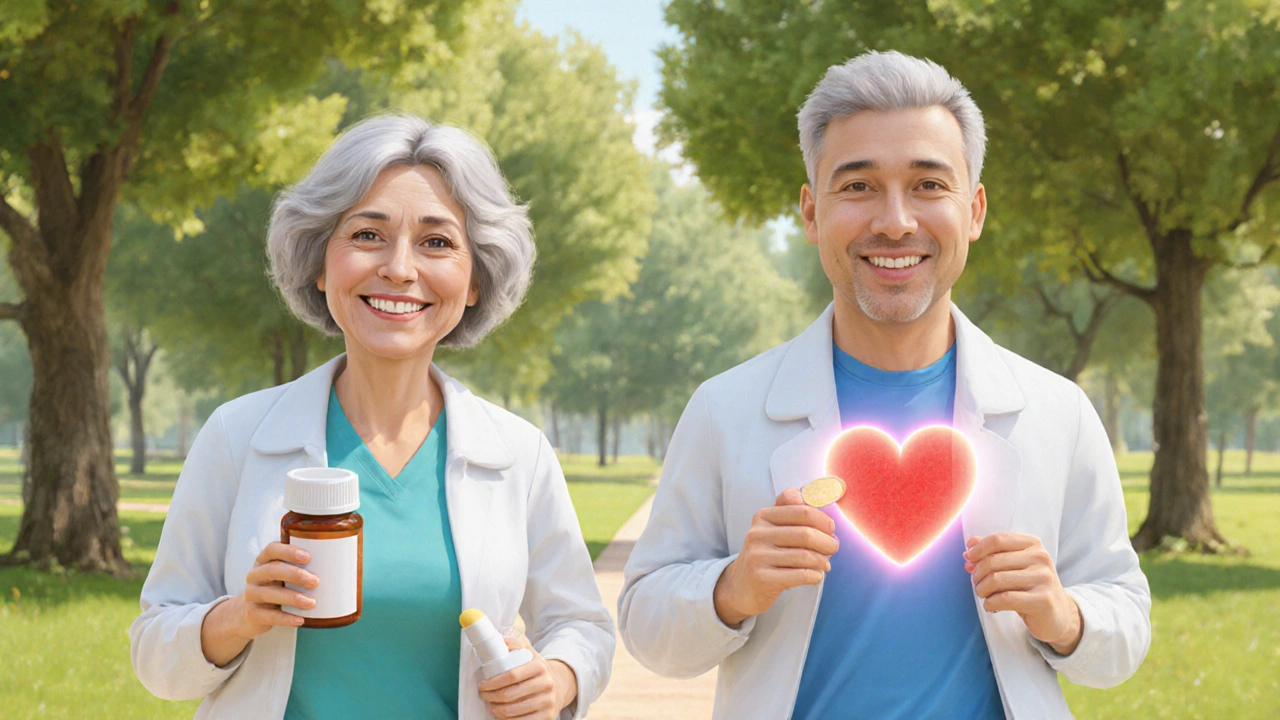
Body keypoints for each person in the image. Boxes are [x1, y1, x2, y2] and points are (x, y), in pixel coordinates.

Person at [618, 51, 1150, 719]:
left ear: (975, 209)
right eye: (859, 186)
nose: (895, 221)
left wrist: (1063, 614)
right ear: (811, 214)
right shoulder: (726, 410)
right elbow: (645, 624)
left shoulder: (1056, 412)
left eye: (929, 185)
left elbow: (1125, 625)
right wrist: (733, 589)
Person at [130, 115, 613, 720]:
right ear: (318, 262)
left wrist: (558, 678)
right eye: (366, 235)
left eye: (437, 242)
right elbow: (154, 650)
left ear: (474, 281)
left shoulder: (519, 453)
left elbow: (582, 626)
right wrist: (239, 617)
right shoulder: (238, 435)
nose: (399, 269)